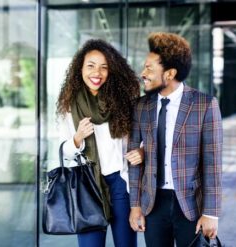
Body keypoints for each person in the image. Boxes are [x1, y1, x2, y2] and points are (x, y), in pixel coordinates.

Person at [126, 32, 223, 247]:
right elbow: (133, 163)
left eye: (150, 68)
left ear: (169, 73)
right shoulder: (140, 107)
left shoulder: (204, 105)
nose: (143, 73)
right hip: (153, 204)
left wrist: (211, 213)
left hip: (190, 206)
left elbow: (213, 163)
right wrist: (135, 206)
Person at [56, 39, 141, 247]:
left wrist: (141, 151)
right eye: (91, 66)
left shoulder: (123, 101)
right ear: (80, 69)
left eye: (104, 67)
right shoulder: (69, 105)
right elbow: (64, 152)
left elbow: (142, 138)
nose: (97, 73)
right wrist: (77, 138)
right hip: (88, 186)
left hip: (120, 184)